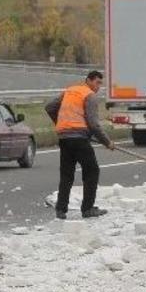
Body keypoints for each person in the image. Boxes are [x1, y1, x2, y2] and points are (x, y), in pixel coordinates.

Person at [45, 70, 114, 220]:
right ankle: (88, 208)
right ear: (88, 80)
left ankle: (61, 209)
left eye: (100, 84)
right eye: (97, 82)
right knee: (91, 171)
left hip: (64, 137)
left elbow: (49, 107)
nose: (98, 87)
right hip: (79, 139)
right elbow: (94, 124)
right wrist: (107, 142)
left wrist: (62, 124)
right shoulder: (89, 96)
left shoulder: (70, 91)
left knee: (66, 175)